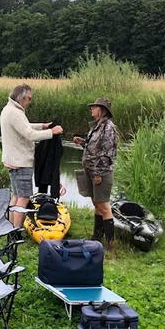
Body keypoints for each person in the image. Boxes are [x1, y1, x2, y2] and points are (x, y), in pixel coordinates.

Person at [0, 85, 63, 227]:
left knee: (16, 197)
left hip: (13, 161)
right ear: (22, 97)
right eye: (29, 98)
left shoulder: (9, 109)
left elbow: (25, 126)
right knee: (23, 198)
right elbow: (29, 134)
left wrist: (43, 126)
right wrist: (52, 132)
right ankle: (15, 231)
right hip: (21, 162)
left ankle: (10, 228)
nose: (30, 101)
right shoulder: (16, 113)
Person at [73, 97, 118, 245]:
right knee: (97, 204)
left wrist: (98, 173)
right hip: (91, 171)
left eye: (94, 107)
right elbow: (94, 148)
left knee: (104, 206)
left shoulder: (108, 127)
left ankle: (111, 244)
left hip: (101, 173)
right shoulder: (97, 126)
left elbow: (107, 153)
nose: (91, 109)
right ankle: (97, 238)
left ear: (102, 110)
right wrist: (83, 143)